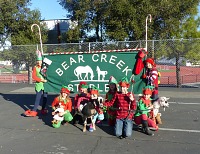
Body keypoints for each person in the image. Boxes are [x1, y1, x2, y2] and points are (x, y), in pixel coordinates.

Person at [24, 50, 48, 117]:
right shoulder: (35, 67)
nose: (39, 62)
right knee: (38, 98)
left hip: (45, 85)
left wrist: (46, 80)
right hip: (39, 85)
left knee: (45, 97)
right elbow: (34, 76)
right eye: (38, 61)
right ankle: (34, 111)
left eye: (40, 61)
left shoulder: (45, 67)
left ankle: (43, 109)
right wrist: (41, 80)